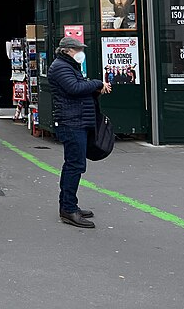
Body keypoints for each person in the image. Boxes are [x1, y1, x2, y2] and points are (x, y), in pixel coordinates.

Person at [48, 36, 111, 228]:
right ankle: (68, 209)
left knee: (75, 164)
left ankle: (70, 205)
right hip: (71, 122)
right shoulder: (60, 66)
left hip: (77, 120)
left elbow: (76, 89)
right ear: (67, 51)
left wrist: (94, 88)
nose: (80, 53)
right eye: (77, 50)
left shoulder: (68, 66)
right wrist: (97, 83)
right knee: (74, 165)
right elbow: (74, 88)